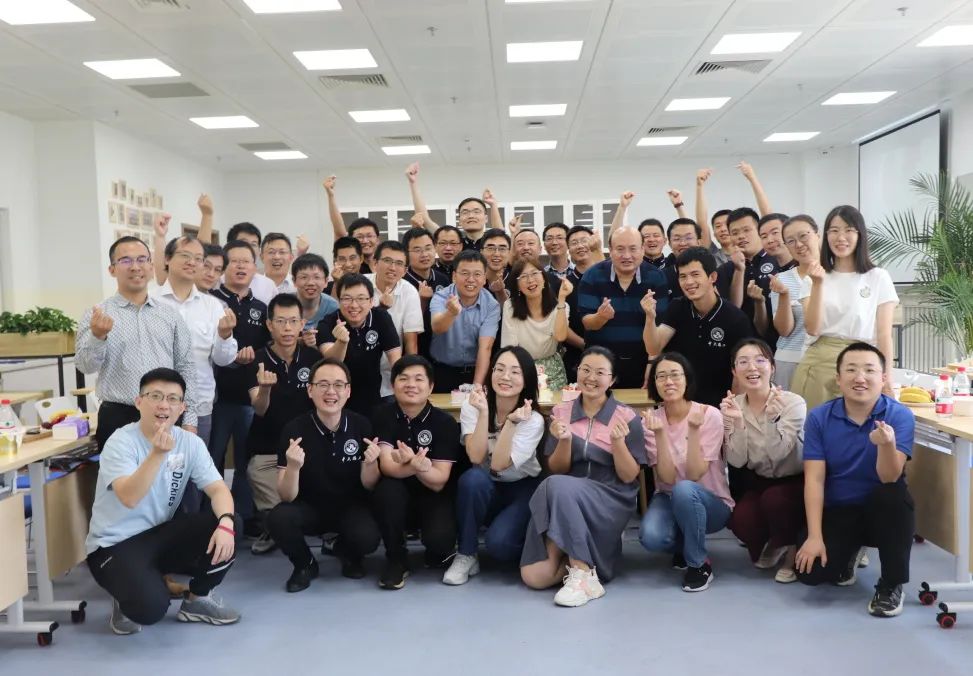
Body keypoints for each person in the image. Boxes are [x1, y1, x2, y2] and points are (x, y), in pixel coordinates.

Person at [85, 368, 239, 635]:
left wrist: (226, 524)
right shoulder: (121, 442)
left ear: (182, 408)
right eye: (155, 396)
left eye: (172, 399)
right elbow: (129, 497)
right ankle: (124, 595)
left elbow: (218, 489)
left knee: (229, 522)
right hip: (113, 545)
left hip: (157, 536)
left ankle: (197, 599)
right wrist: (157, 454)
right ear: (139, 402)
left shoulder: (190, 443)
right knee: (150, 609)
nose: (163, 405)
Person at [795, 342, 916, 618]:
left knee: (892, 495)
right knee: (811, 574)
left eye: (869, 370)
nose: (860, 377)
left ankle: (891, 584)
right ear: (838, 379)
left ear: (883, 378)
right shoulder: (819, 417)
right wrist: (814, 536)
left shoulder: (899, 415)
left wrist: (886, 445)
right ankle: (850, 552)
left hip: (883, 511)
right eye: (851, 370)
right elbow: (814, 480)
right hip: (840, 510)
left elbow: (889, 477)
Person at [520, 347, 645, 607]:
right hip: (566, 499)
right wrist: (565, 440)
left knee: (554, 485)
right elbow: (557, 469)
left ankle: (583, 573)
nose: (591, 377)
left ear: (612, 379)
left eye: (600, 372)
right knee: (535, 576)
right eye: (585, 370)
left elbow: (629, 476)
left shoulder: (627, 416)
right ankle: (588, 558)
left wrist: (618, 443)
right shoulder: (561, 412)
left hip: (610, 496)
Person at [267, 358, 382, 592]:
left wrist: (371, 464)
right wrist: (293, 467)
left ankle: (347, 552)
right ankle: (305, 564)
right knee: (278, 518)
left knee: (368, 538)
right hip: (310, 508)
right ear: (310, 390)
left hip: (350, 507)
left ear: (348, 391)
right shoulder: (294, 429)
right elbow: (286, 496)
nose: (331, 391)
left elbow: (369, 485)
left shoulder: (361, 425)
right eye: (323, 385)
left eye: (338, 385)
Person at [77, 235, 198, 451]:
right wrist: (97, 336)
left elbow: (186, 366)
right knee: (120, 474)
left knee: (167, 473)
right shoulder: (97, 314)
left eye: (142, 260)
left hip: (167, 415)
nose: (135, 267)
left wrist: (189, 420)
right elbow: (85, 366)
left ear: (151, 267)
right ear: (112, 270)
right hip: (118, 416)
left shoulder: (170, 315)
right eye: (126, 260)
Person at [444, 347, 544, 585]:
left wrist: (511, 423)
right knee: (472, 479)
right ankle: (466, 553)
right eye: (499, 369)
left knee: (500, 546)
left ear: (527, 379)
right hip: (486, 484)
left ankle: (530, 540)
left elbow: (499, 464)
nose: (505, 377)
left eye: (515, 372)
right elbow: (476, 457)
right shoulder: (473, 405)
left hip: (522, 488)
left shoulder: (533, 419)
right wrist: (483, 412)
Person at [638, 353, 731, 592]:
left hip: (711, 502)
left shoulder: (708, 414)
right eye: (661, 376)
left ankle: (698, 564)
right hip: (669, 497)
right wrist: (659, 433)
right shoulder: (650, 421)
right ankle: (684, 544)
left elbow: (694, 474)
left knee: (685, 488)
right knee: (651, 537)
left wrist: (693, 430)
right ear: (654, 383)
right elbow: (667, 478)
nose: (668, 381)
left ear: (687, 379)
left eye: (675, 375)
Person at [792, 205, 898, 410]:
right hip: (819, 365)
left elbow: (885, 335)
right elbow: (812, 328)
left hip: (862, 366)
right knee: (815, 425)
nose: (840, 237)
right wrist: (818, 284)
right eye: (834, 230)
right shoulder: (814, 277)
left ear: (860, 235)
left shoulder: (878, 277)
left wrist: (886, 378)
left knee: (861, 425)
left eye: (848, 230)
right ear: (826, 236)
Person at [370, 355, 461, 589]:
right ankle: (396, 558)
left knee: (440, 542)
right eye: (403, 378)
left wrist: (415, 465)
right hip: (396, 492)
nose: (411, 384)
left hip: (432, 494)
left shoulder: (445, 423)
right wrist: (414, 465)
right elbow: (387, 466)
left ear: (430, 386)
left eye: (419, 379)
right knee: (387, 490)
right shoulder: (382, 415)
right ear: (393, 384)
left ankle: (435, 549)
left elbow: (439, 480)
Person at [722, 339, 806, 583]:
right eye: (743, 362)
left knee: (775, 501)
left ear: (772, 367)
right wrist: (737, 423)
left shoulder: (793, 403)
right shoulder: (732, 405)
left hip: (795, 480)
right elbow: (737, 461)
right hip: (760, 481)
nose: (752, 367)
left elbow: (779, 454)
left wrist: (771, 421)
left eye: (760, 360)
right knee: (739, 519)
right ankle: (777, 541)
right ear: (734, 371)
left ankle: (792, 550)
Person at [246, 293, 320, 554]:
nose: (287, 328)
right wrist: (265, 389)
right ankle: (273, 526)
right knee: (277, 507)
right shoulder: (257, 359)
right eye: (280, 321)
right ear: (269, 325)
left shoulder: (313, 358)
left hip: (309, 447)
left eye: (292, 321)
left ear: (302, 323)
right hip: (267, 448)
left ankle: (325, 528)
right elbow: (259, 408)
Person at [152, 232, 238, 453]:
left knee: (194, 469)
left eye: (198, 259)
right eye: (185, 255)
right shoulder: (150, 301)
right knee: (155, 468)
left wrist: (225, 335)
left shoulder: (212, 306)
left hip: (199, 405)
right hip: (155, 406)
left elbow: (223, 359)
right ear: (167, 259)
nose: (192, 262)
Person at [209, 240, 271, 528]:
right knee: (213, 459)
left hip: (251, 398)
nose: (241, 266)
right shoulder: (211, 302)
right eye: (234, 261)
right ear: (224, 267)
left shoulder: (261, 307)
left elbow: (267, 348)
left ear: (255, 268)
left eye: (247, 261)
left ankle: (246, 518)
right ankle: (212, 517)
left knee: (248, 459)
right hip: (216, 398)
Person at [643, 247, 755, 407]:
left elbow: (740, 373)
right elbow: (653, 348)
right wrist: (650, 318)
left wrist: (733, 410)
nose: (689, 282)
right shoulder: (677, 307)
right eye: (683, 276)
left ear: (712, 277)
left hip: (718, 408)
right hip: (679, 405)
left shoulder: (735, 319)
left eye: (695, 274)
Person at [577, 227, 670, 388]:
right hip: (600, 366)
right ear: (610, 250)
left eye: (633, 249)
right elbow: (587, 322)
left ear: (642, 249)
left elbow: (659, 328)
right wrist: (601, 317)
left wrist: (652, 364)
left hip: (642, 364)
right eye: (620, 249)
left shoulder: (656, 277)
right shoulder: (592, 275)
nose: (627, 256)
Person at [317, 273, 401, 412]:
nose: (354, 305)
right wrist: (341, 342)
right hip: (336, 399)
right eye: (347, 299)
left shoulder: (381, 317)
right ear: (339, 300)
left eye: (361, 298)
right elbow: (332, 362)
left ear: (371, 301)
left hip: (373, 397)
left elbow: (396, 361)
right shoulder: (327, 323)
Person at [429, 250, 501, 392]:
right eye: (465, 273)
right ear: (454, 276)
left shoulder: (492, 305)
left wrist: (476, 386)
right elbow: (437, 327)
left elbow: (485, 347)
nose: (471, 279)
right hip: (442, 370)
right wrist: (451, 313)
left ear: (485, 278)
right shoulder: (441, 297)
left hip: (476, 370)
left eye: (477, 274)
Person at [501, 258, 573, 389]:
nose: (530, 280)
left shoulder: (561, 306)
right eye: (523, 276)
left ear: (544, 278)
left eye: (534, 273)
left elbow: (560, 336)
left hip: (552, 369)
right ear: (517, 285)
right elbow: (509, 347)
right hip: (520, 367)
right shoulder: (510, 307)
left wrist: (562, 298)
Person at [768, 215, 821, 388]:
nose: (798, 244)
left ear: (817, 235)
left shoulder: (837, 276)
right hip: (790, 360)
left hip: (827, 361)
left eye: (803, 236)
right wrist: (784, 295)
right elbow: (784, 330)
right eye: (790, 241)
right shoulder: (781, 279)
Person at [364, 241, 422, 398]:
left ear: (405, 270)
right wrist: (381, 309)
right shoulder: (360, 284)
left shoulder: (409, 292)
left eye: (399, 263)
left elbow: (411, 341)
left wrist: (408, 378)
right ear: (375, 263)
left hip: (391, 373)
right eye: (387, 261)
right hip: (358, 370)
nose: (392, 267)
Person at [406, 162, 494, 250]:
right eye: (465, 212)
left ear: (486, 218)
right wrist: (413, 183)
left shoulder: (493, 244)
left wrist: (493, 205)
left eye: (476, 211)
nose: (471, 216)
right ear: (459, 220)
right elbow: (424, 219)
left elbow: (499, 231)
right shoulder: (454, 244)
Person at [401, 227, 451, 358]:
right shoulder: (402, 283)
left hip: (441, 349)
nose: (424, 254)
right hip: (414, 349)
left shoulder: (443, 279)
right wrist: (421, 300)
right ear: (406, 254)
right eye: (417, 250)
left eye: (428, 248)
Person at [322, 174, 376, 273]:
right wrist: (331, 195)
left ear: (377, 239)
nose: (365, 241)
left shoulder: (384, 261)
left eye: (369, 236)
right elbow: (339, 233)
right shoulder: (350, 266)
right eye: (360, 237)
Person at [290, 253, 339, 340]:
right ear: (294, 281)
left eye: (316, 277)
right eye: (304, 277)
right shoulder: (283, 305)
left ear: (326, 281)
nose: (310, 283)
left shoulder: (333, 307)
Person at [481, 228, 512, 305]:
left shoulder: (516, 280)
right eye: (491, 248)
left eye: (502, 249)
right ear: (481, 252)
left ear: (509, 253)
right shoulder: (473, 280)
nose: (496, 254)